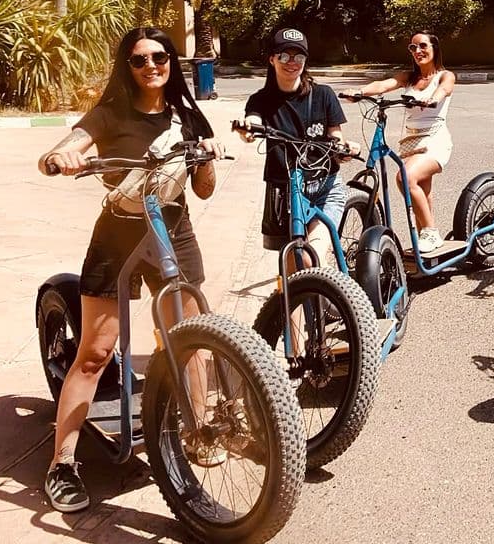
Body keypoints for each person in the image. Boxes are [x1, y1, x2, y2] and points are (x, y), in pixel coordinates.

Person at [37, 26, 218, 514]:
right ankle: (61, 463)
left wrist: (206, 158)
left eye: (159, 57)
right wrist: (63, 156)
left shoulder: (187, 115)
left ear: (171, 62)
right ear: (128, 66)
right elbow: (60, 149)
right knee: (95, 353)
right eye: (139, 60)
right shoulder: (111, 113)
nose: (151, 66)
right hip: (117, 233)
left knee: (191, 339)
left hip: (174, 229)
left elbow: (203, 190)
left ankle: (199, 430)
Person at [238, 27, 353, 267]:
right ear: (272, 59)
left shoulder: (323, 94)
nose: (292, 62)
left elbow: (336, 137)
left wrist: (345, 150)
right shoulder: (260, 100)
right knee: (291, 264)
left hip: (324, 189)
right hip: (284, 193)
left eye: (299, 56)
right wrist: (248, 128)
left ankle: (336, 288)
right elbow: (253, 122)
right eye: (284, 56)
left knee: (311, 258)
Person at [344, 33, 456, 255]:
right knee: (422, 192)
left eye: (423, 46)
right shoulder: (409, 77)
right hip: (411, 141)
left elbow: (445, 89)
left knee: (405, 178)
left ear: (434, 48)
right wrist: (360, 92)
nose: (418, 51)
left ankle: (431, 232)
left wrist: (432, 98)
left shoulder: (445, 76)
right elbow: (384, 85)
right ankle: (428, 246)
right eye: (413, 48)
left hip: (435, 139)